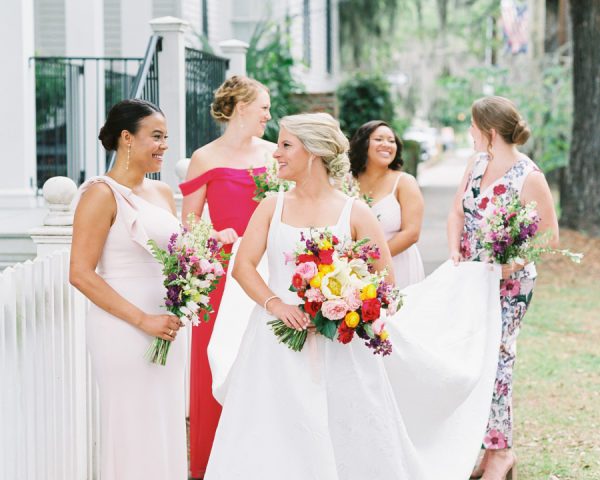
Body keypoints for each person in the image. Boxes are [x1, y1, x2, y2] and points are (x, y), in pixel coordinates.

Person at [204, 113, 505, 480]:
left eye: (285, 145)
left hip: (341, 346)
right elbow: (244, 267)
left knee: (344, 429)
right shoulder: (272, 205)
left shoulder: (355, 211)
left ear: (312, 151)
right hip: (274, 345)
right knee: (271, 431)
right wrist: (276, 304)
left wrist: (342, 307)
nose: (276, 154)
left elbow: (385, 282)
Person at [69, 99, 187, 479]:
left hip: (167, 325)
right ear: (126, 138)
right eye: (155, 136)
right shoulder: (99, 194)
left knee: (165, 422)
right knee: (132, 426)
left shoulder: (163, 193)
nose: (164, 145)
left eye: (165, 137)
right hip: (123, 328)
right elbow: (81, 274)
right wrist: (142, 320)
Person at [447, 96, 559, 480]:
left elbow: (549, 237)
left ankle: (500, 452)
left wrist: (509, 264)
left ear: (489, 131)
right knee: (472, 361)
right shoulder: (475, 164)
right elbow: (457, 211)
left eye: (473, 127)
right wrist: (454, 249)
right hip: (469, 279)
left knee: (498, 360)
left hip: (510, 285)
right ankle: (485, 446)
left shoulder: (529, 176)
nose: (470, 133)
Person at [179, 75, 274, 479]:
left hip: (268, 269)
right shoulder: (204, 157)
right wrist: (214, 236)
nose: (269, 115)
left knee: (266, 361)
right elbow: (188, 225)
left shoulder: (275, 154)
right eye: (263, 107)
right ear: (239, 108)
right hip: (220, 275)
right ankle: (214, 464)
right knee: (217, 361)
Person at [350, 120, 425, 289]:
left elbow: (411, 233)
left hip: (398, 265)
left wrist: (370, 260)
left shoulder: (404, 182)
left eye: (391, 141)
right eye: (379, 139)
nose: (386, 145)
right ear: (363, 144)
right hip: (355, 272)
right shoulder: (347, 182)